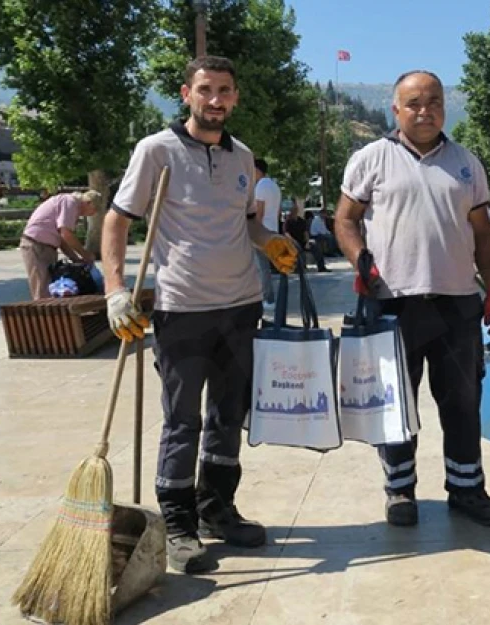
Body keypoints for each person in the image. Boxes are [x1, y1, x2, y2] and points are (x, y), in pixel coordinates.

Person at [102, 55, 299, 574]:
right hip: (183, 309)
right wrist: (116, 290)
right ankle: (178, 525)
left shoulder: (243, 158)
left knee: (228, 417)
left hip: (240, 307)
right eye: (206, 89)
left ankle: (218, 510)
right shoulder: (157, 151)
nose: (216, 100)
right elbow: (117, 221)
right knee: (182, 421)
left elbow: (249, 225)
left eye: (225, 91)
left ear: (235, 97)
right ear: (186, 93)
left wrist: (271, 242)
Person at [334, 69, 490, 528]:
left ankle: (467, 489)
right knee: (395, 406)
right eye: (413, 103)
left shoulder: (467, 163)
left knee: (462, 401)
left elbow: (483, 235)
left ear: (444, 108)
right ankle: (399, 491)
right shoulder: (370, 159)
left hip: (456, 303)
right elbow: (345, 221)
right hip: (392, 304)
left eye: (433, 101)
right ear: (396, 110)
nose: (424, 110)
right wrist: (360, 261)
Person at [20, 189, 100, 299]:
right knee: (43, 290)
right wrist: (85, 255)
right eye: (95, 210)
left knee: (52, 288)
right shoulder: (70, 202)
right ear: (88, 202)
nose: (93, 213)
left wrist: (76, 259)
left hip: (46, 247)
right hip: (36, 245)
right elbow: (66, 234)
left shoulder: (72, 206)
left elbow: (63, 240)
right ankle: (44, 315)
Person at [253, 158, 282, 311]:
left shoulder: (260, 187)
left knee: (261, 267)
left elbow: (259, 212)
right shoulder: (275, 186)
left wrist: (254, 231)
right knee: (268, 267)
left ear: (258, 170)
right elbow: (277, 213)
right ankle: (269, 297)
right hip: (273, 230)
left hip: (262, 232)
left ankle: (268, 298)